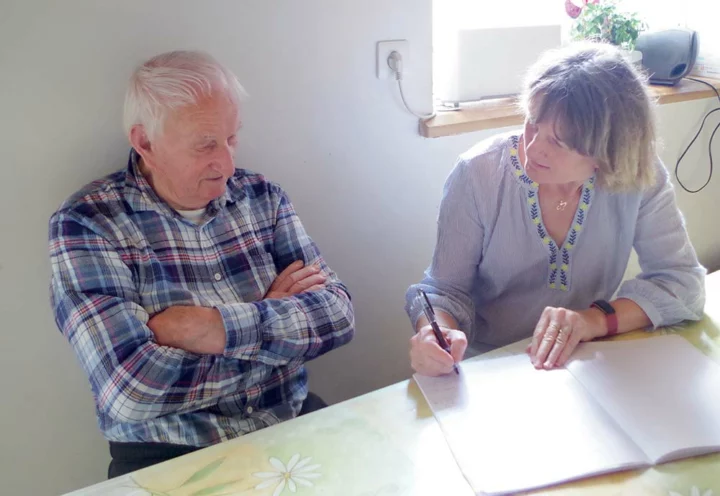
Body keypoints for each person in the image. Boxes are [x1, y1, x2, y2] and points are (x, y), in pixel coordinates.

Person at [49, 50, 354, 477]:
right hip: (169, 452)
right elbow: (129, 390)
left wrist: (210, 328)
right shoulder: (88, 223)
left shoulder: (261, 197)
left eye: (232, 139)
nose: (227, 164)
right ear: (146, 143)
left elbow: (337, 316)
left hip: (289, 420)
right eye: (206, 144)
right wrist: (272, 328)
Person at [405, 42, 705, 376]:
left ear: (607, 151)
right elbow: (443, 291)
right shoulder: (478, 174)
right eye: (532, 123)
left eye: (558, 142)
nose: (533, 147)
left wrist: (593, 320)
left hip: (585, 364)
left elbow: (682, 283)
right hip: (490, 368)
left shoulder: (636, 175)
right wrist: (435, 333)